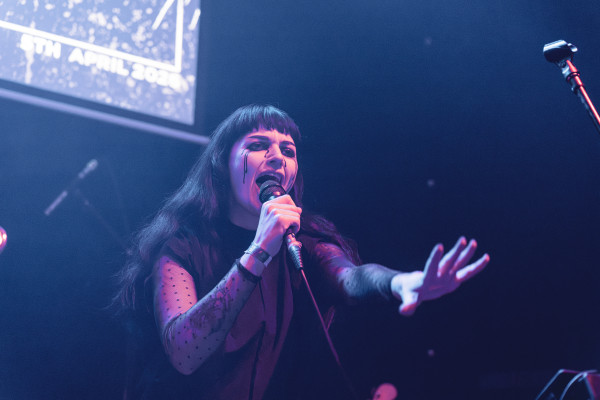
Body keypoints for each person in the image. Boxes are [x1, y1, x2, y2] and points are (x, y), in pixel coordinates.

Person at [114, 104, 489, 400]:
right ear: (221, 164)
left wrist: (399, 282)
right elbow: (184, 352)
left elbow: (350, 276)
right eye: (258, 145)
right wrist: (259, 249)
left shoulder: (303, 239)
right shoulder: (182, 246)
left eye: (288, 150)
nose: (277, 157)